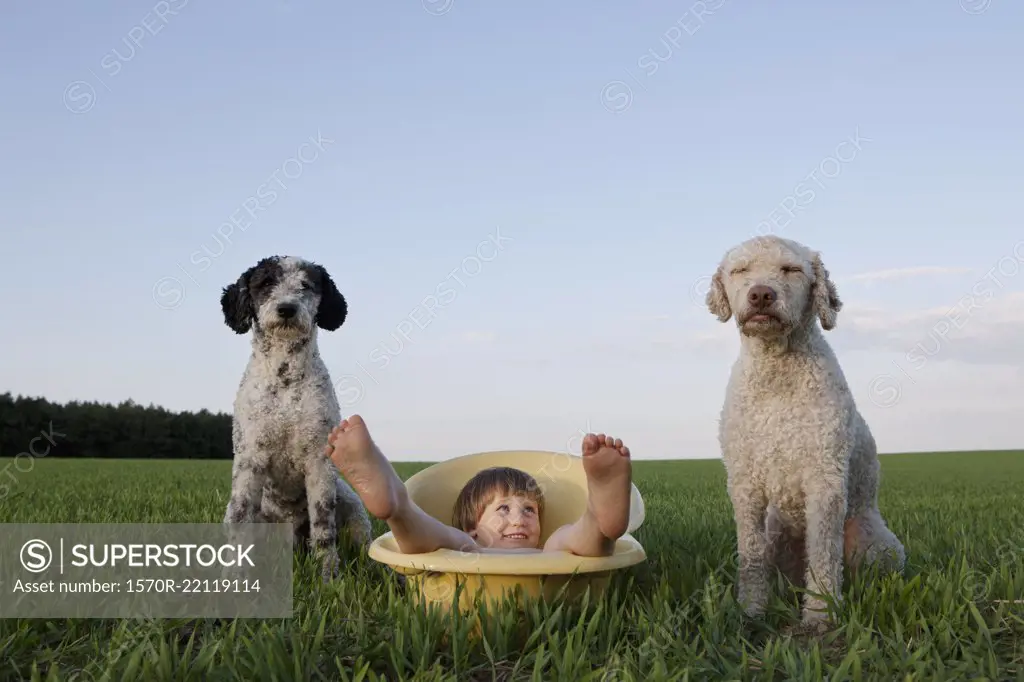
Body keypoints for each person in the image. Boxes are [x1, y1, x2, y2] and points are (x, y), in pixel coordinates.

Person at [323, 414, 634, 557]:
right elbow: (449, 539)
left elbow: (566, 542)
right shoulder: (470, 545)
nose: (519, 518)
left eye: (529, 509)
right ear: (474, 526)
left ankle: (599, 517)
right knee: (441, 538)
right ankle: (398, 506)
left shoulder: (547, 548)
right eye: (503, 508)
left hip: (549, 567)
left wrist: (583, 530)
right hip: (470, 560)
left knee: (573, 538)